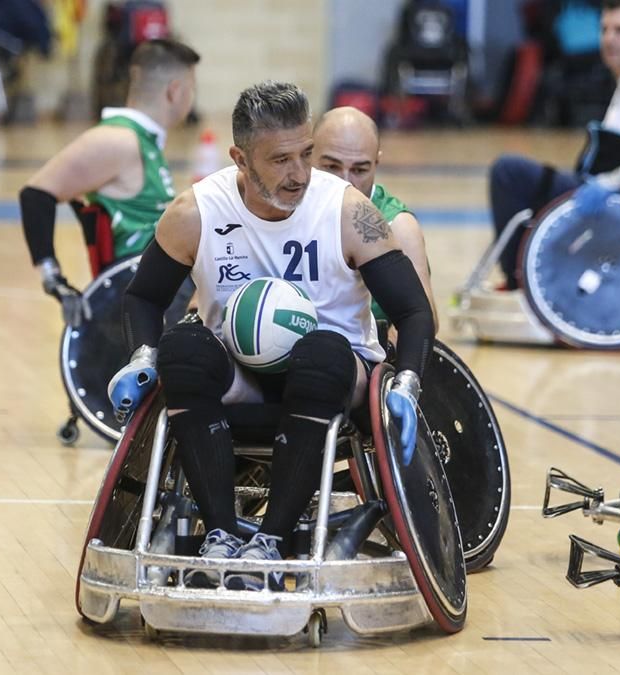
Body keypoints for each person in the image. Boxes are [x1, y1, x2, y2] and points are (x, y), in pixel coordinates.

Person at [106, 81, 435, 589]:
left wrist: (409, 382)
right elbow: (142, 296)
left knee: (320, 353)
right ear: (240, 158)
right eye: (280, 160)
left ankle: (272, 542)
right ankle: (218, 535)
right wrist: (143, 355)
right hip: (239, 375)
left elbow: (414, 310)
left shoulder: (347, 211)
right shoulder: (196, 212)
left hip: (335, 374)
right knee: (184, 348)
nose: (299, 174)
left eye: (306, 154)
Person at [487, 0, 620, 289]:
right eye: (605, 29)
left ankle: (518, 281)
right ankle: (532, 275)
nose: (609, 39)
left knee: (509, 172)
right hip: (608, 196)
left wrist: (615, 180)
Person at [19, 38, 199, 326]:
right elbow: (36, 194)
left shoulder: (143, 140)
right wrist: (54, 280)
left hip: (166, 287)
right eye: (193, 87)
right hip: (145, 296)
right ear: (175, 91)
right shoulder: (118, 140)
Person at [311, 106, 438, 330]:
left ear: (376, 164)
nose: (345, 182)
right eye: (331, 167)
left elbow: (426, 323)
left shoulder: (398, 226)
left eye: (359, 170)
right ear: (307, 156)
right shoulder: (288, 205)